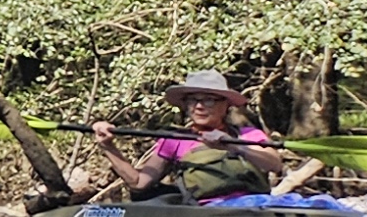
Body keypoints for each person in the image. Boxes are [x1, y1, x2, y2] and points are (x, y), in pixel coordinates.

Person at [84, 73, 295, 202]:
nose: (200, 106)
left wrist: (233, 146)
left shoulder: (247, 135)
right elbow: (139, 182)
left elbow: (274, 164)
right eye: (193, 100)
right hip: (211, 212)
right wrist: (108, 146)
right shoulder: (175, 139)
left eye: (209, 100)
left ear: (226, 105)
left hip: (258, 206)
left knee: (323, 203)